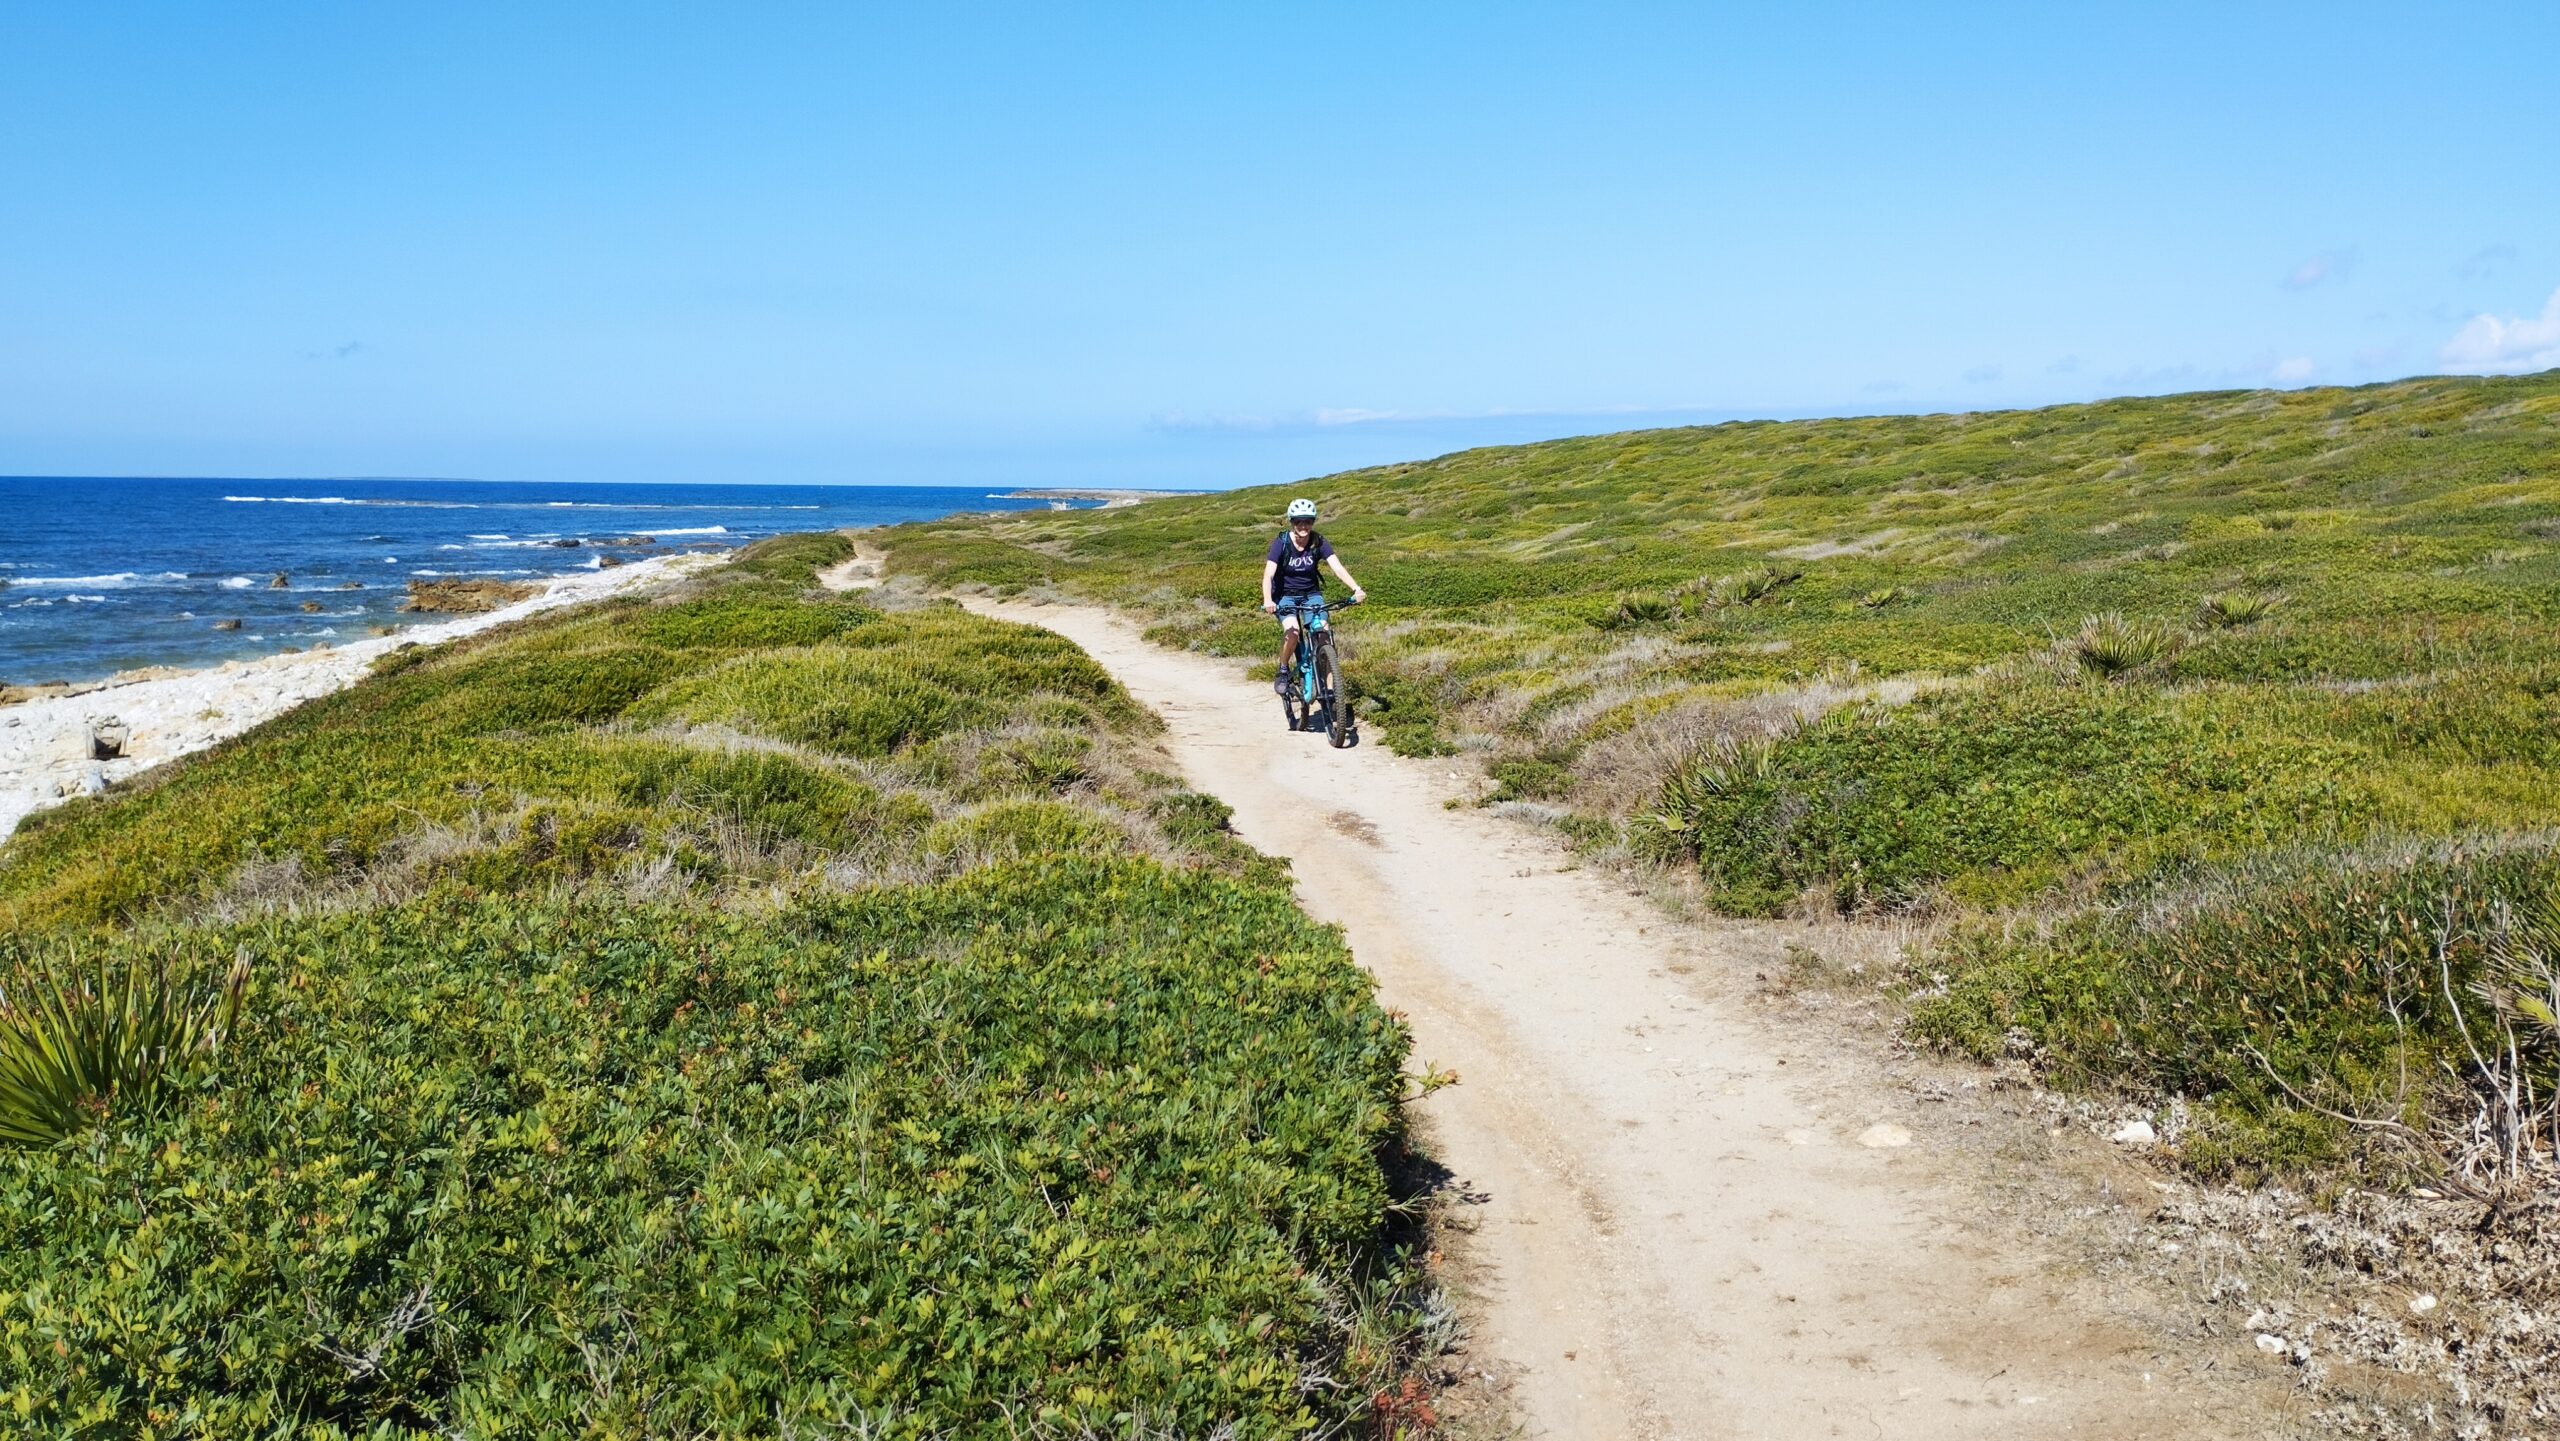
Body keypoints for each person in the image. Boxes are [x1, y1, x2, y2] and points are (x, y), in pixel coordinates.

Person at [1262, 497, 1365, 694]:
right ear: (1292, 522)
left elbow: (1337, 568)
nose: (1303, 526)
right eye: (1298, 521)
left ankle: (1331, 691)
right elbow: (1268, 575)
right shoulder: (1281, 543)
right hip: (1285, 596)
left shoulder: (1319, 542)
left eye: (1308, 521)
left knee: (1324, 634)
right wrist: (1268, 599)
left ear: (1313, 522)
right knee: (1293, 631)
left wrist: (1356, 588)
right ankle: (1283, 670)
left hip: (1311, 595)